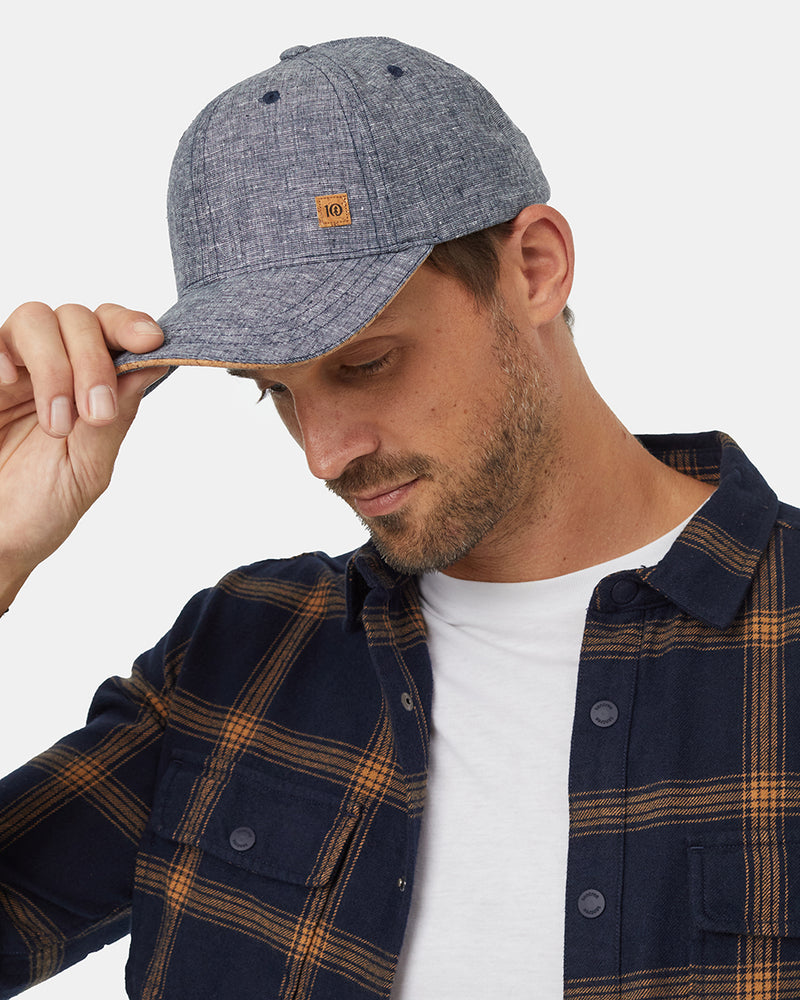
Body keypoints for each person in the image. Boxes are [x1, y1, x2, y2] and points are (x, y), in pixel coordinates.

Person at [0, 35, 798, 1000]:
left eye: (366, 363)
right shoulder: (237, 654)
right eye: (273, 391)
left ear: (535, 268)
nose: (323, 454)